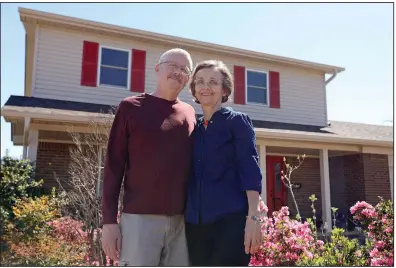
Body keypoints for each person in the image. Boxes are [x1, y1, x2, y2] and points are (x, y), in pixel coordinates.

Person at [101, 48, 196, 266]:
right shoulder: (130, 107)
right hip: (138, 221)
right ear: (157, 68)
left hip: (182, 224)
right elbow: (113, 167)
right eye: (172, 65)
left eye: (183, 69)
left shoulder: (190, 113)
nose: (177, 72)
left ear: (188, 77)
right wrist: (108, 222)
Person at [185, 60, 263, 266]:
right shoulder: (194, 128)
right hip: (194, 226)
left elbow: (250, 171)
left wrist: (253, 218)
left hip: (230, 222)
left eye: (213, 82)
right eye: (199, 82)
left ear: (225, 88)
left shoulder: (237, 122)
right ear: (193, 89)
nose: (205, 87)